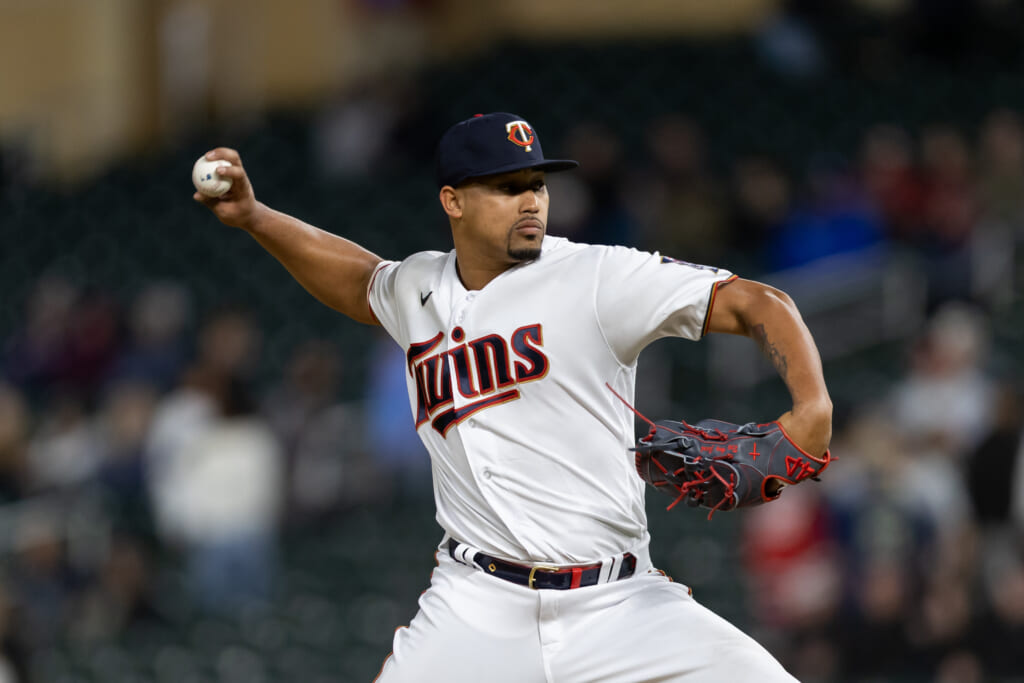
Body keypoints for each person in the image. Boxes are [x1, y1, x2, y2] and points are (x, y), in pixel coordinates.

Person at [194, 112, 833, 682]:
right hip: (476, 607)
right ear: (454, 201)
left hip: (620, 605)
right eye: (507, 187)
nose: (531, 201)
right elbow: (359, 281)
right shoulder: (418, 287)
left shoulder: (598, 276)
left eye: (537, 184)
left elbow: (758, 303)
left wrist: (813, 409)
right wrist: (255, 216)